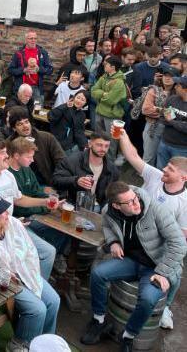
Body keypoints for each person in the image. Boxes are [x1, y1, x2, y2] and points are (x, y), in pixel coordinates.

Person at [80, 182, 186, 351]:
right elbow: (107, 225)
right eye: (128, 202)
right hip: (131, 261)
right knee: (98, 273)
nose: (135, 203)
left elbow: (179, 244)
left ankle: (128, 336)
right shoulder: (110, 211)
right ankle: (99, 320)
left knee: (148, 299)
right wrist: (113, 242)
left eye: (135, 198)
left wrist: (163, 272)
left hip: (155, 267)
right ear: (116, 205)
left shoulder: (156, 210)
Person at [0, 192, 61, 351]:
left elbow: (29, 249)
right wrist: (0, 272)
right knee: (37, 309)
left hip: (25, 272)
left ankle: (45, 342)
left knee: (54, 300)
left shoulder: (14, 223)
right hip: (1, 281)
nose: (7, 213)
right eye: (2, 212)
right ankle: (20, 342)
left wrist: (28, 270)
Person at [117, 129, 187, 329]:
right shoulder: (155, 176)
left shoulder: (185, 202)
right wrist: (123, 134)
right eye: (167, 165)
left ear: (183, 178)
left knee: (175, 270)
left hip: (160, 247)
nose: (164, 169)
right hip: (133, 237)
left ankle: (166, 306)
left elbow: (181, 239)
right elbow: (132, 156)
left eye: (171, 169)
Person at [0, 139, 57, 280]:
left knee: (49, 251)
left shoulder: (7, 175)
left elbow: (19, 199)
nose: (7, 156)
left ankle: (35, 285)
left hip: (11, 227)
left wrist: (45, 201)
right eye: (2, 153)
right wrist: (10, 223)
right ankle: (25, 289)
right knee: (31, 258)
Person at [5, 108, 66, 187]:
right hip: (23, 185)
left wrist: (56, 181)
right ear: (14, 128)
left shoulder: (46, 137)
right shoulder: (9, 143)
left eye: (26, 122)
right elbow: (7, 167)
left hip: (47, 181)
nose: (25, 126)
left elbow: (61, 161)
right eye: (20, 124)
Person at [140, 66, 178, 165]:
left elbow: (176, 116)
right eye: (165, 75)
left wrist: (157, 109)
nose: (167, 78)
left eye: (171, 76)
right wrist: (165, 112)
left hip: (170, 131)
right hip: (152, 126)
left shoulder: (179, 94)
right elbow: (146, 109)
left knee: (163, 160)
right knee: (148, 158)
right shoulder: (154, 90)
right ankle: (147, 180)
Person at [91, 56, 127, 160]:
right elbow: (93, 91)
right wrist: (104, 94)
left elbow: (111, 100)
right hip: (100, 112)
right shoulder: (104, 77)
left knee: (111, 142)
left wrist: (100, 95)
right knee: (99, 138)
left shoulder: (119, 82)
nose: (104, 65)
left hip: (112, 116)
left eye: (106, 64)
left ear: (112, 67)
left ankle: (109, 163)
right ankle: (98, 159)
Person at [8, 31, 54, 98]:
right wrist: (23, 70)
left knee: (37, 108)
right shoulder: (18, 53)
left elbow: (50, 69)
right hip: (21, 87)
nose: (33, 40)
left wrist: (39, 69)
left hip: (37, 88)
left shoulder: (43, 53)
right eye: (31, 38)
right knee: (19, 108)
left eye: (35, 38)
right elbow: (10, 70)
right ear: (26, 40)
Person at [157, 76, 187, 168]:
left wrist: (172, 121)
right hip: (164, 143)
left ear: (185, 89)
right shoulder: (172, 99)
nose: (175, 87)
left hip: (182, 149)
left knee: (176, 175)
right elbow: (163, 118)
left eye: (178, 85)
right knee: (160, 171)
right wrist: (179, 122)